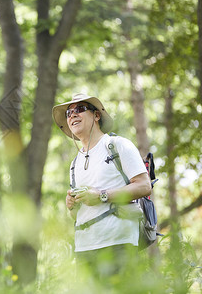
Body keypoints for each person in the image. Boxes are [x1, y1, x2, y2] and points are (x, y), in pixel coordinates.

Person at [52, 93, 152, 280]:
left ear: (96, 115)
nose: (72, 115)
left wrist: (101, 195)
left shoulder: (117, 145)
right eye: (68, 113)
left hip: (118, 244)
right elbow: (78, 215)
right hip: (84, 249)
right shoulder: (74, 164)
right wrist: (72, 206)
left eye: (79, 109)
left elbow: (144, 186)